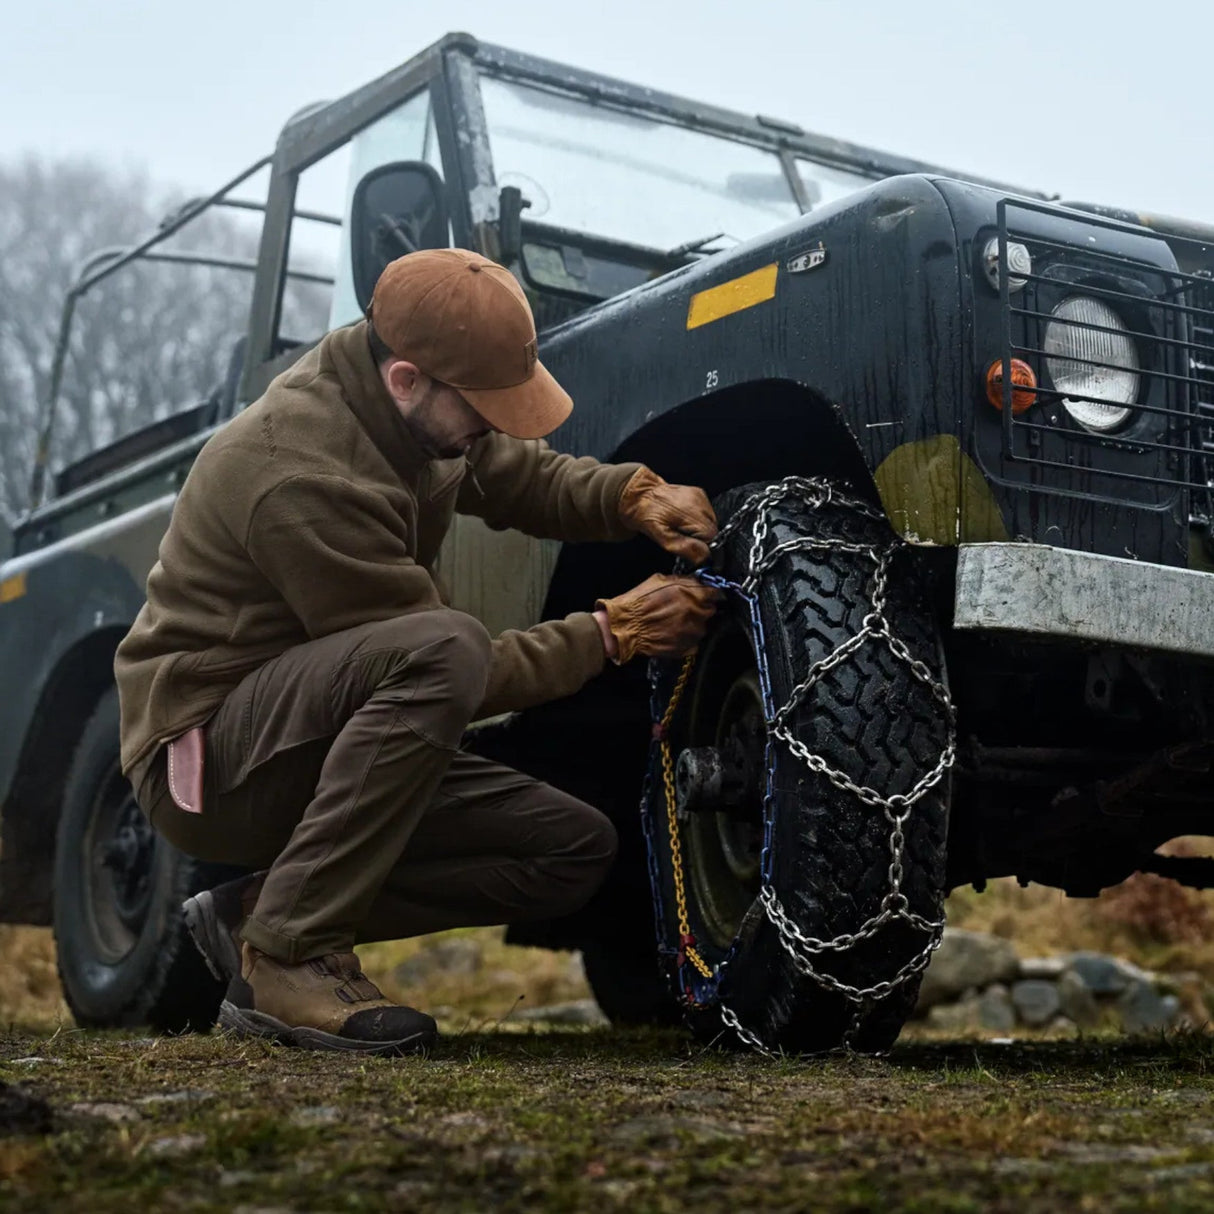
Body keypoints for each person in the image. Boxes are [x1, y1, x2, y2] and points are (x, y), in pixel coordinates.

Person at [114, 248, 720, 1056]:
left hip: (318, 729)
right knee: (445, 643)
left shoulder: (412, 409)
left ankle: (258, 915)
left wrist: (632, 494)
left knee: (570, 849)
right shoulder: (300, 476)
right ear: (406, 379)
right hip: (212, 756)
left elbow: (513, 474)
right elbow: (454, 671)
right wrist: (614, 633)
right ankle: (289, 956)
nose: (493, 425)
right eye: (483, 408)